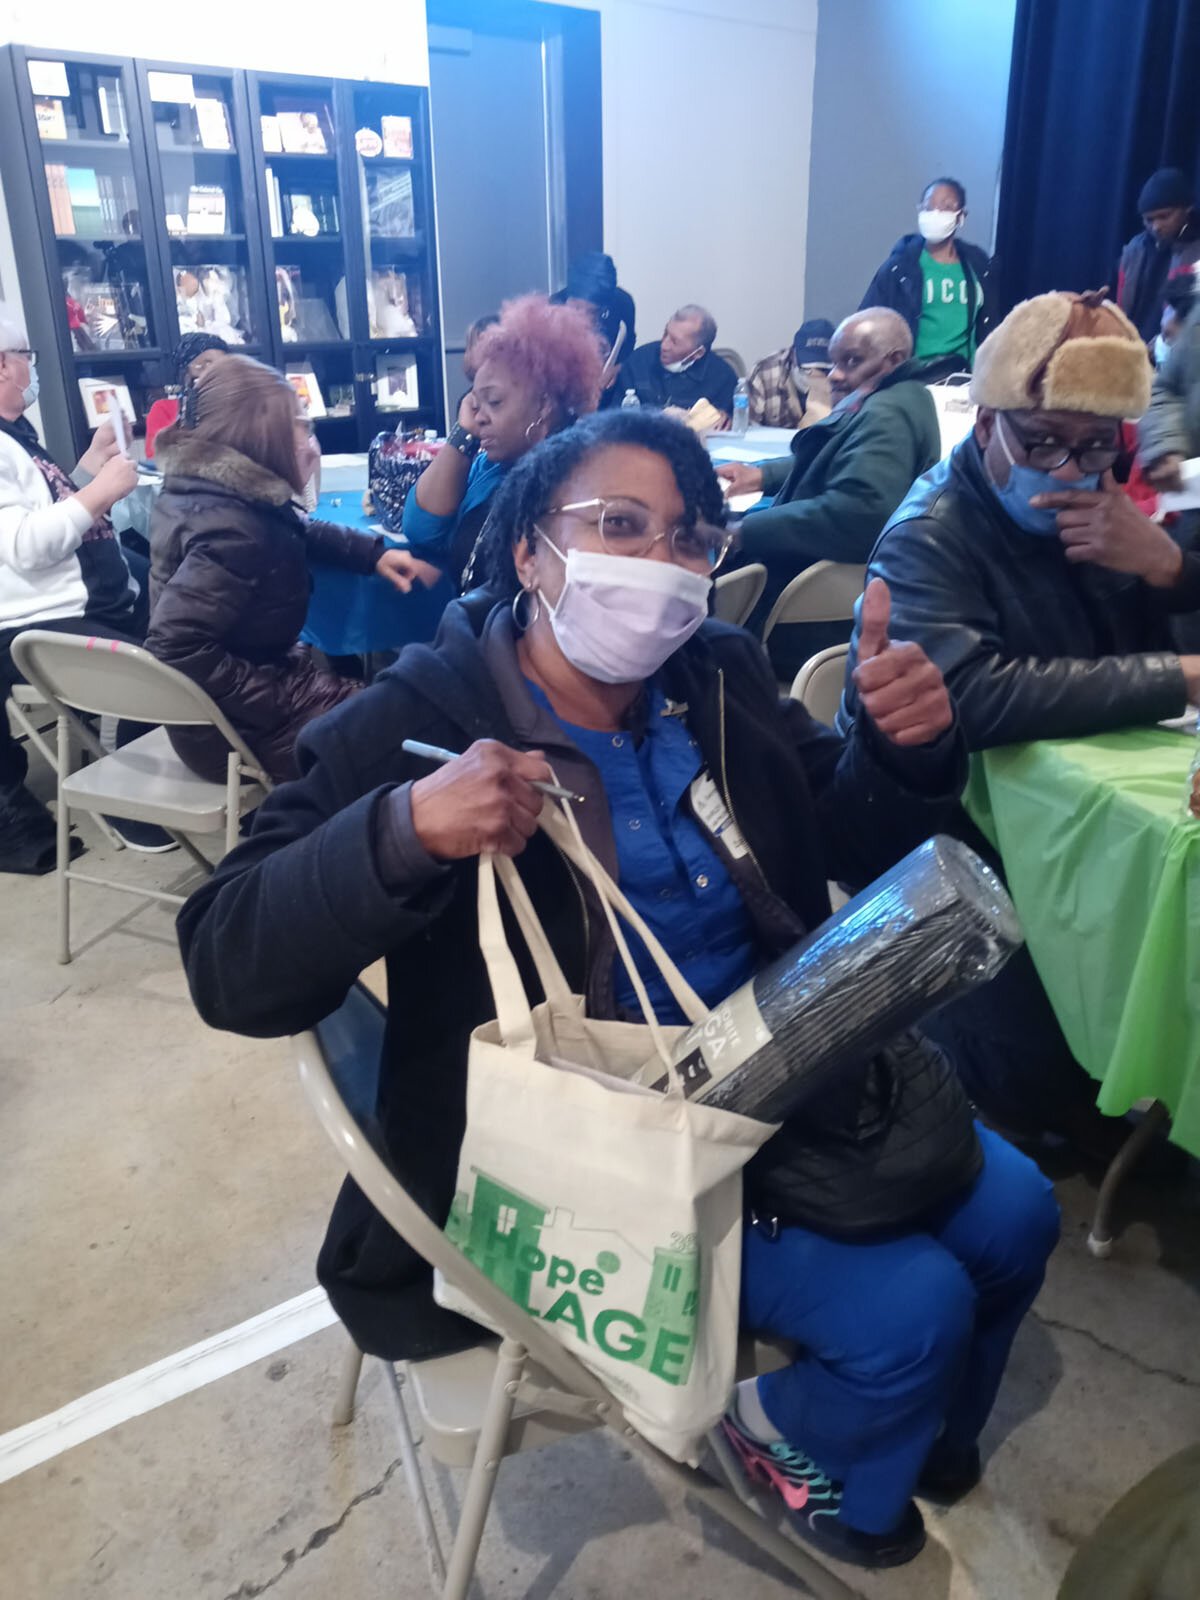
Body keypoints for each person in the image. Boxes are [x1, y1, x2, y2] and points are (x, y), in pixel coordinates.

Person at [177, 407, 1058, 1572]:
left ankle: (929, 1441)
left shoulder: (720, 675)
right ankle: (809, 1463)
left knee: (1020, 1211)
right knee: (915, 1308)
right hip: (599, 1135)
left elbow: (843, 825)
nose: (660, 564)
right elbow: (225, 955)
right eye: (620, 526)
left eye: (689, 536)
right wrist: (400, 834)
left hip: (780, 1057)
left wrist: (901, 752)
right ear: (534, 551)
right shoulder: (415, 723)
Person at [837, 289, 1200, 1156]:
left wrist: (1169, 570)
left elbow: (1139, 650)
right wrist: (1176, 673)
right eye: (1040, 442)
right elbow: (974, 695)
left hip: (1090, 810)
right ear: (987, 424)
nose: (1069, 470)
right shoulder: (930, 530)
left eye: (1092, 445)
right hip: (956, 837)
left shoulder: (1110, 513)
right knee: (1054, 1090)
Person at [146, 355, 416, 786]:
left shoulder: (218, 494)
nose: (309, 438)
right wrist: (278, 697)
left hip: (233, 709)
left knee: (396, 711)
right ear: (258, 436)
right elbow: (174, 646)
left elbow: (296, 527)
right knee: (405, 733)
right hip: (233, 731)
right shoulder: (231, 529)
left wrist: (370, 553)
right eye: (299, 425)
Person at [0, 304, 165, 871]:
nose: (31, 368)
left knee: (189, 620)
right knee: (165, 668)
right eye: (27, 358)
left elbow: (46, 509)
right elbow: (25, 545)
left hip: (91, 595)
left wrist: (89, 471)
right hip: (43, 624)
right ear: (3, 367)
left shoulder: (17, 436)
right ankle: (132, 802)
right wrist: (100, 493)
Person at [717, 309, 939, 678]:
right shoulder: (904, 396)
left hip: (803, 624)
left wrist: (743, 531)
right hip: (828, 602)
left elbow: (859, 512)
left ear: (894, 360)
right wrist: (761, 475)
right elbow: (840, 456)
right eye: (835, 362)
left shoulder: (887, 414)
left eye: (852, 361)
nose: (835, 375)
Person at [403, 294, 603, 588]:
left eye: (494, 401)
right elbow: (421, 529)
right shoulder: (489, 464)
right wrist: (463, 436)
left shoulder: (576, 482)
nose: (479, 416)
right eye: (476, 402)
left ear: (544, 405)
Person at [860, 178, 992, 376]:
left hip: (962, 378)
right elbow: (868, 321)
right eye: (929, 207)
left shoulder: (979, 267)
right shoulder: (899, 267)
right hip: (910, 378)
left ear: (961, 216)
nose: (936, 213)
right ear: (920, 210)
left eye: (946, 207)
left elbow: (989, 325)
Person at [1117, 168, 1200, 344]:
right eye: (1149, 219)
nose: (1156, 227)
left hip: (1178, 357)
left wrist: (1160, 347)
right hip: (1130, 349)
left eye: (1164, 216)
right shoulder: (1135, 249)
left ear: (1187, 209)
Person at [621, 305, 737, 420]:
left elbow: (734, 422)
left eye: (674, 342)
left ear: (698, 353)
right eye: (665, 333)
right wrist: (657, 414)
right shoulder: (638, 361)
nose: (664, 345)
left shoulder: (723, 377)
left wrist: (725, 419)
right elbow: (615, 414)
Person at [747, 319, 835, 429]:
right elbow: (748, 429)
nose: (814, 374)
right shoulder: (764, 371)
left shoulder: (844, 375)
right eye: (807, 368)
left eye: (822, 369)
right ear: (793, 353)